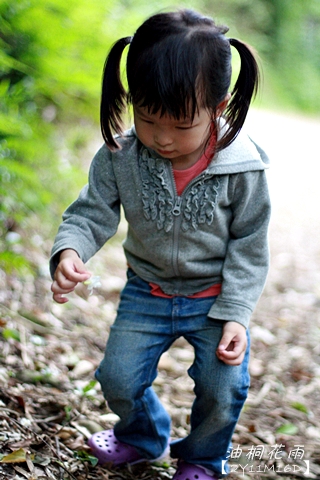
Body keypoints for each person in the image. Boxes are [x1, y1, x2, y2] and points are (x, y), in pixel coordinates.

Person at [50, 9, 271, 479]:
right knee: (117, 379)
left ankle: (203, 458)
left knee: (222, 386)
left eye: (180, 124)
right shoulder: (122, 156)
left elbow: (250, 244)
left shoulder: (243, 168)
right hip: (146, 292)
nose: (163, 138)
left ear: (220, 106)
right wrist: (70, 251)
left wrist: (236, 313)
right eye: (148, 119)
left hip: (213, 299)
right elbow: (91, 212)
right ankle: (143, 435)